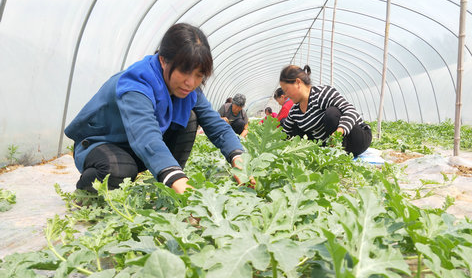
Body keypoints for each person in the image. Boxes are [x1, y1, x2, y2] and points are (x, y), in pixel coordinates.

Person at [65, 23, 245, 195]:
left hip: (135, 150)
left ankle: (170, 184)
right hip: (100, 145)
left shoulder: (189, 91)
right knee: (119, 169)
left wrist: (238, 158)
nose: (190, 83)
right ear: (163, 60)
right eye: (184, 71)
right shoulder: (136, 84)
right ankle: (85, 193)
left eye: (199, 75)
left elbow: (215, 124)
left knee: (190, 117)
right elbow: (145, 135)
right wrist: (179, 180)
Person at [279, 65, 372, 157]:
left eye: (286, 90)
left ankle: (338, 156)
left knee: (332, 113)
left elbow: (351, 111)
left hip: (357, 139)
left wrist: (338, 132)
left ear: (298, 83)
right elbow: (284, 134)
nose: (286, 95)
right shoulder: (294, 111)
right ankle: (333, 153)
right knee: (293, 127)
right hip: (329, 144)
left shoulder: (322, 94)